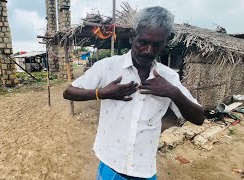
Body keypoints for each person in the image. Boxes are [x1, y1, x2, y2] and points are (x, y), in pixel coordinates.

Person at [63, 6, 204, 180]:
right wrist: (102, 93)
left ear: (165, 42)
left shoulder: (169, 78)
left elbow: (199, 118)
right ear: (132, 37)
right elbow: (68, 92)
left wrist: (172, 92)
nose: (149, 51)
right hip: (110, 165)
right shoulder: (107, 67)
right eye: (143, 42)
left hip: (145, 170)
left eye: (157, 45)